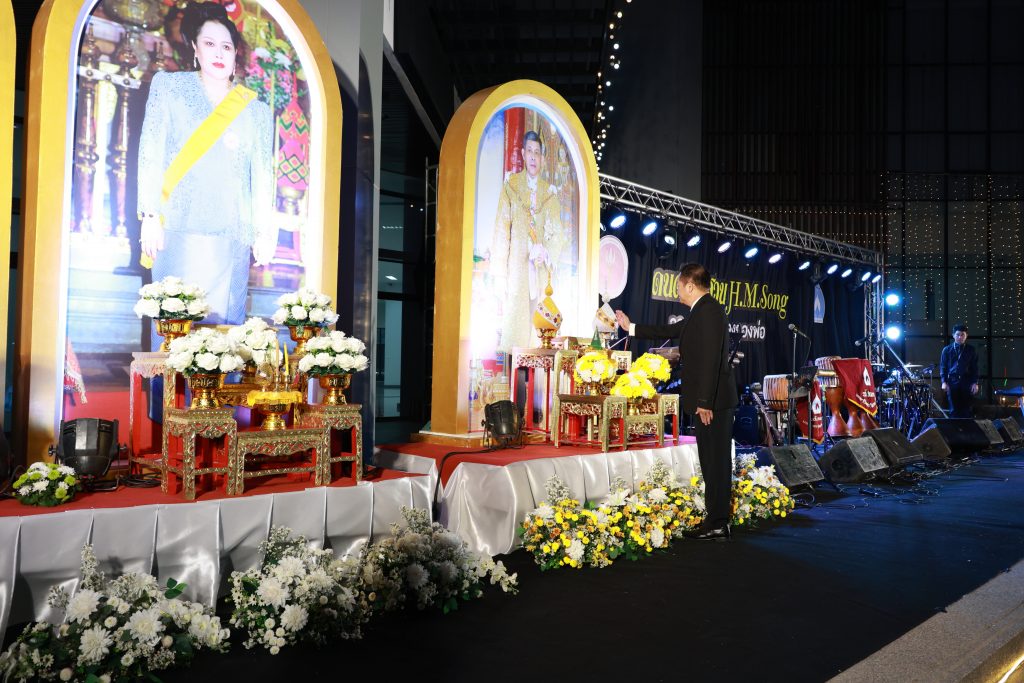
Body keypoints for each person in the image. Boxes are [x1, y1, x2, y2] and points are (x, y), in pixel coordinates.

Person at [137, 1, 276, 326]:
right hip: (177, 227)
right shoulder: (169, 88)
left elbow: (262, 176)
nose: (218, 53)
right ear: (195, 48)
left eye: (226, 46)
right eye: (209, 43)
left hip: (232, 234)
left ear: (236, 53)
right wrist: (150, 214)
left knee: (224, 335)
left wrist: (264, 231)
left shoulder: (255, 110)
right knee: (174, 328)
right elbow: (151, 150)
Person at [616, 263, 738, 541]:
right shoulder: (701, 310)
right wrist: (630, 327)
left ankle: (718, 522)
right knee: (710, 462)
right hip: (710, 401)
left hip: (713, 403)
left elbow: (711, 359)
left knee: (716, 463)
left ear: (690, 286)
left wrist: (704, 401)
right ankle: (715, 519)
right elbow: (666, 330)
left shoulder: (709, 311)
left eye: (679, 286)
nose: (677, 292)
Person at [490, 130, 567, 352]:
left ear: (542, 158)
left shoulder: (549, 193)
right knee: (516, 324)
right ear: (523, 154)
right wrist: (499, 274)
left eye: (537, 153)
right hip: (517, 268)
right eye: (530, 151)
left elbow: (558, 234)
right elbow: (501, 230)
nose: (533, 157)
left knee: (539, 328)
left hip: (540, 271)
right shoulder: (511, 186)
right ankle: (515, 369)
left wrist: (545, 251)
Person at [940, 323, 979, 418]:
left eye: (962, 335)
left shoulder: (971, 349)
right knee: (953, 410)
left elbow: (975, 368)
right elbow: (943, 367)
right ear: (953, 335)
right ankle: (954, 428)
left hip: (967, 381)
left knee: (967, 410)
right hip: (952, 381)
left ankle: (966, 428)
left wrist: (975, 383)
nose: (960, 337)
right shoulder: (947, 350)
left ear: (966, 336)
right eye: (958, 335)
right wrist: (944, 382)